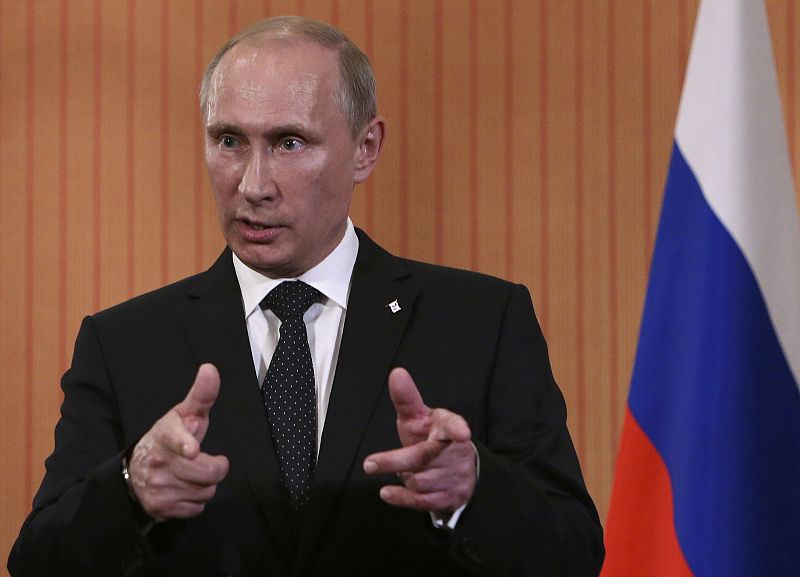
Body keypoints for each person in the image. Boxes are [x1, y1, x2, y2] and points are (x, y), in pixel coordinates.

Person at [8, 16, 603, 577]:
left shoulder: (481, 322)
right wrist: (130, 490)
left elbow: (574, 552)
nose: (253, 185)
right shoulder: (124, 342)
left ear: (365, 148)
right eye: (229, 140)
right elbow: (39, 561)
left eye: (289, 142)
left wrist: (472, 488)